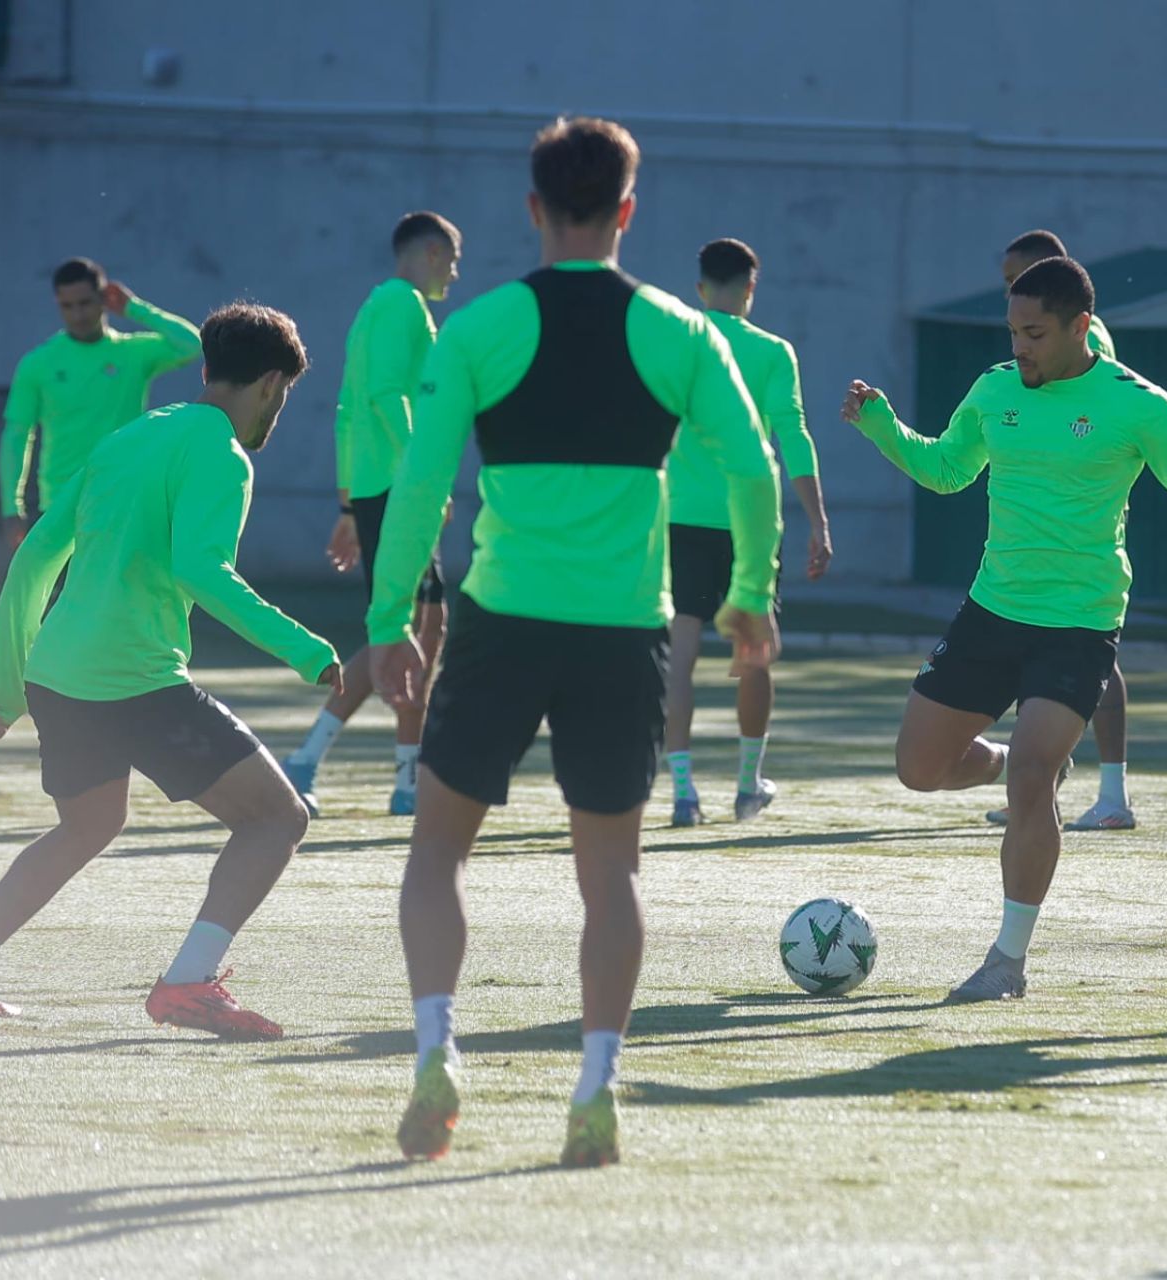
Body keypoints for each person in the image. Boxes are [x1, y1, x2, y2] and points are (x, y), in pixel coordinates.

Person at [366, 117, 781, 1167]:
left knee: (437, 852)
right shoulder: (684, 332)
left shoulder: (480, 326)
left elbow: (421, 485)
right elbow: (755, 467)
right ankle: (595, 1085)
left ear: (534, 210)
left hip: (502, 624)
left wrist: (386, 623)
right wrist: (749, 593)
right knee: (611, 874)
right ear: (628, 212)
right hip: (621, 634)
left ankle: (435, 1050)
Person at [0, 303, 341, 1042]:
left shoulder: (132, 434)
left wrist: (7, 681)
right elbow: (202, 570)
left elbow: (38, 552)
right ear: (272, 383)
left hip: (59, 671)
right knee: (278, 818)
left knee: (87, 826)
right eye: (286, 394)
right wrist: (306, 649)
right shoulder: (223, 454)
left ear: (207, 367)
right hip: (131, 681)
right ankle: (187, 985)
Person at [842, 254, 1167, 1004]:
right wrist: (881, 426)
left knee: (1037, 778)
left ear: (1079, 327)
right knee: (918, 769)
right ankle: (1004, 760)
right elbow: (946, 471)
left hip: (1080, 624)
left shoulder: (1139, 405)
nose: (1019, 346)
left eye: (1033, 333)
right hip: (992, 611)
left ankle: (1006, 962)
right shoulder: (995, 389)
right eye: (1013, 331)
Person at [280, 212, 462, 818]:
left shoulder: (376, 309)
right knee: (405, 628)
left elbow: (348, 414)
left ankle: (406, 779)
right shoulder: (403, 304)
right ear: (433, 252)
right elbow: (384, 398)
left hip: (380, 492)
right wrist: (421, 477)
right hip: (397, 490)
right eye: (453, 261)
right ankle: (318, 761)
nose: (455, 275)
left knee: (425, 625)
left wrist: (346, 503)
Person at [662, 236, 831, 827]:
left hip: (682, 517)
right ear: (751, 287)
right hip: (751, 521)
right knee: (754, 653)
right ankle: (745, 786)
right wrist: (818, 520)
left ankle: (683, 793)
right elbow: (796, 435)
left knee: (680, 654)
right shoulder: (773, 352)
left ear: (700, 287)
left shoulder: (678, 345)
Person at [986, 230, 1136, 831]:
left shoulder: (1082, 338)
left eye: (1015, 279)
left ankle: (1113, 792)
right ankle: (1040, 774)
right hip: (1036, 517)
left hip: (1082, 526)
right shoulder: (1040, 336)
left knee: (1094, 655)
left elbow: (1101, 421)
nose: (1010, 296)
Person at [0, 258, 201, 548]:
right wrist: (11, 507)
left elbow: (192, 345)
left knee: (121, 594)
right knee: (61, 594)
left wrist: (134, 307)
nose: (78, 314)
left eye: (85, 303)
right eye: (67, 306)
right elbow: (16, 436)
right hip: (62, 504)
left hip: (123, 501)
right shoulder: (38, 363)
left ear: (104, 299)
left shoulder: (132, 353)